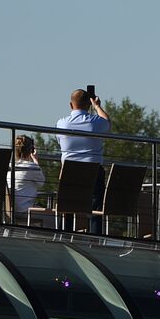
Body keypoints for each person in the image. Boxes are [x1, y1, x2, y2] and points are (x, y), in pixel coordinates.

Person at [57, 87, 111, 233]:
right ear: (88, 104)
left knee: (66, 205)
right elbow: (107, 123)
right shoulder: (95, 122)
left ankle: (65, 233)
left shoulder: (62, 123)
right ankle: (95, 236)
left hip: (69, 172)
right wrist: (97, 106)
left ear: (70, 105)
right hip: (93, 172)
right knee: (95, 207)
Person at [7, 135, 45, 221]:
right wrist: (35, 160)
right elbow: (41, 182)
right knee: (53, 216)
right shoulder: (32, 167)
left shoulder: (9, 166)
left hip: (9, 210)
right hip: (24, 210)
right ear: (31, 150)